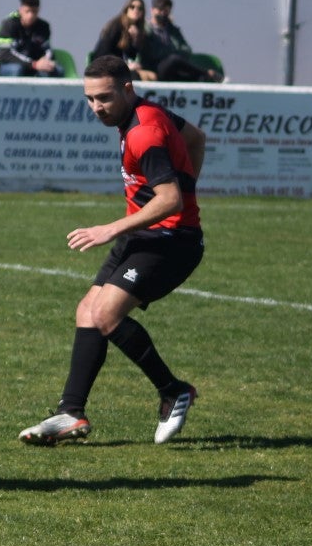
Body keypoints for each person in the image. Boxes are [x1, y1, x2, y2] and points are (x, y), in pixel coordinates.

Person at [20, 54, 205, 448]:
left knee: (105, 314)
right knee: (87, 311)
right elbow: (196, 139)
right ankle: (71, 412)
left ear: (127, 88)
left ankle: (173, 390)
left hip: (172, 241)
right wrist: (186, 187)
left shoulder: (144, 132)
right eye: (89, 99)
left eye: (103, 98)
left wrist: (111, 228)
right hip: (144, 235)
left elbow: (170, 200)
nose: (95, 108)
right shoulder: (146, 113)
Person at [142, 0, 222, 83]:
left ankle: (207, 78)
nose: (163, 13)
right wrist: (170, 52)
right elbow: (151, 52)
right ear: (152, 10)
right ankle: (206, 73)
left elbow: (186, 49)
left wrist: (173, 52)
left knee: (189, 76)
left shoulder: (173, 31)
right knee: (173, 59)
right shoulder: (145, 29)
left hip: (173, 69)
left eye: (166, 11)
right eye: (160, 10)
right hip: (154, 68)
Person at [0, 0, 61, 76]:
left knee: (56, 70)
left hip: (35, 66)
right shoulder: (8, 25)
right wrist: (33, 64)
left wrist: (45, 61)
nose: (30, 15)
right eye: (27, 11)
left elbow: (47, 50)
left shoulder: (44, 27)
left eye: (34, 12)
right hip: (7, 65)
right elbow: (4, 53)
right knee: (17, 69)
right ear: (21, 10)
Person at [92, 0, 154, 81]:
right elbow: (103, 52)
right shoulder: (116, 25)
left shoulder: (137, 29)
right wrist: (124, 64)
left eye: (140, 8)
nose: (136, 10)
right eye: (132, 7)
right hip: (106, 65)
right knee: (134, 76)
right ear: (126, 9)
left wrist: (135, 40)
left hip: (121, 67)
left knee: (151, 76)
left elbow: (131, 55)